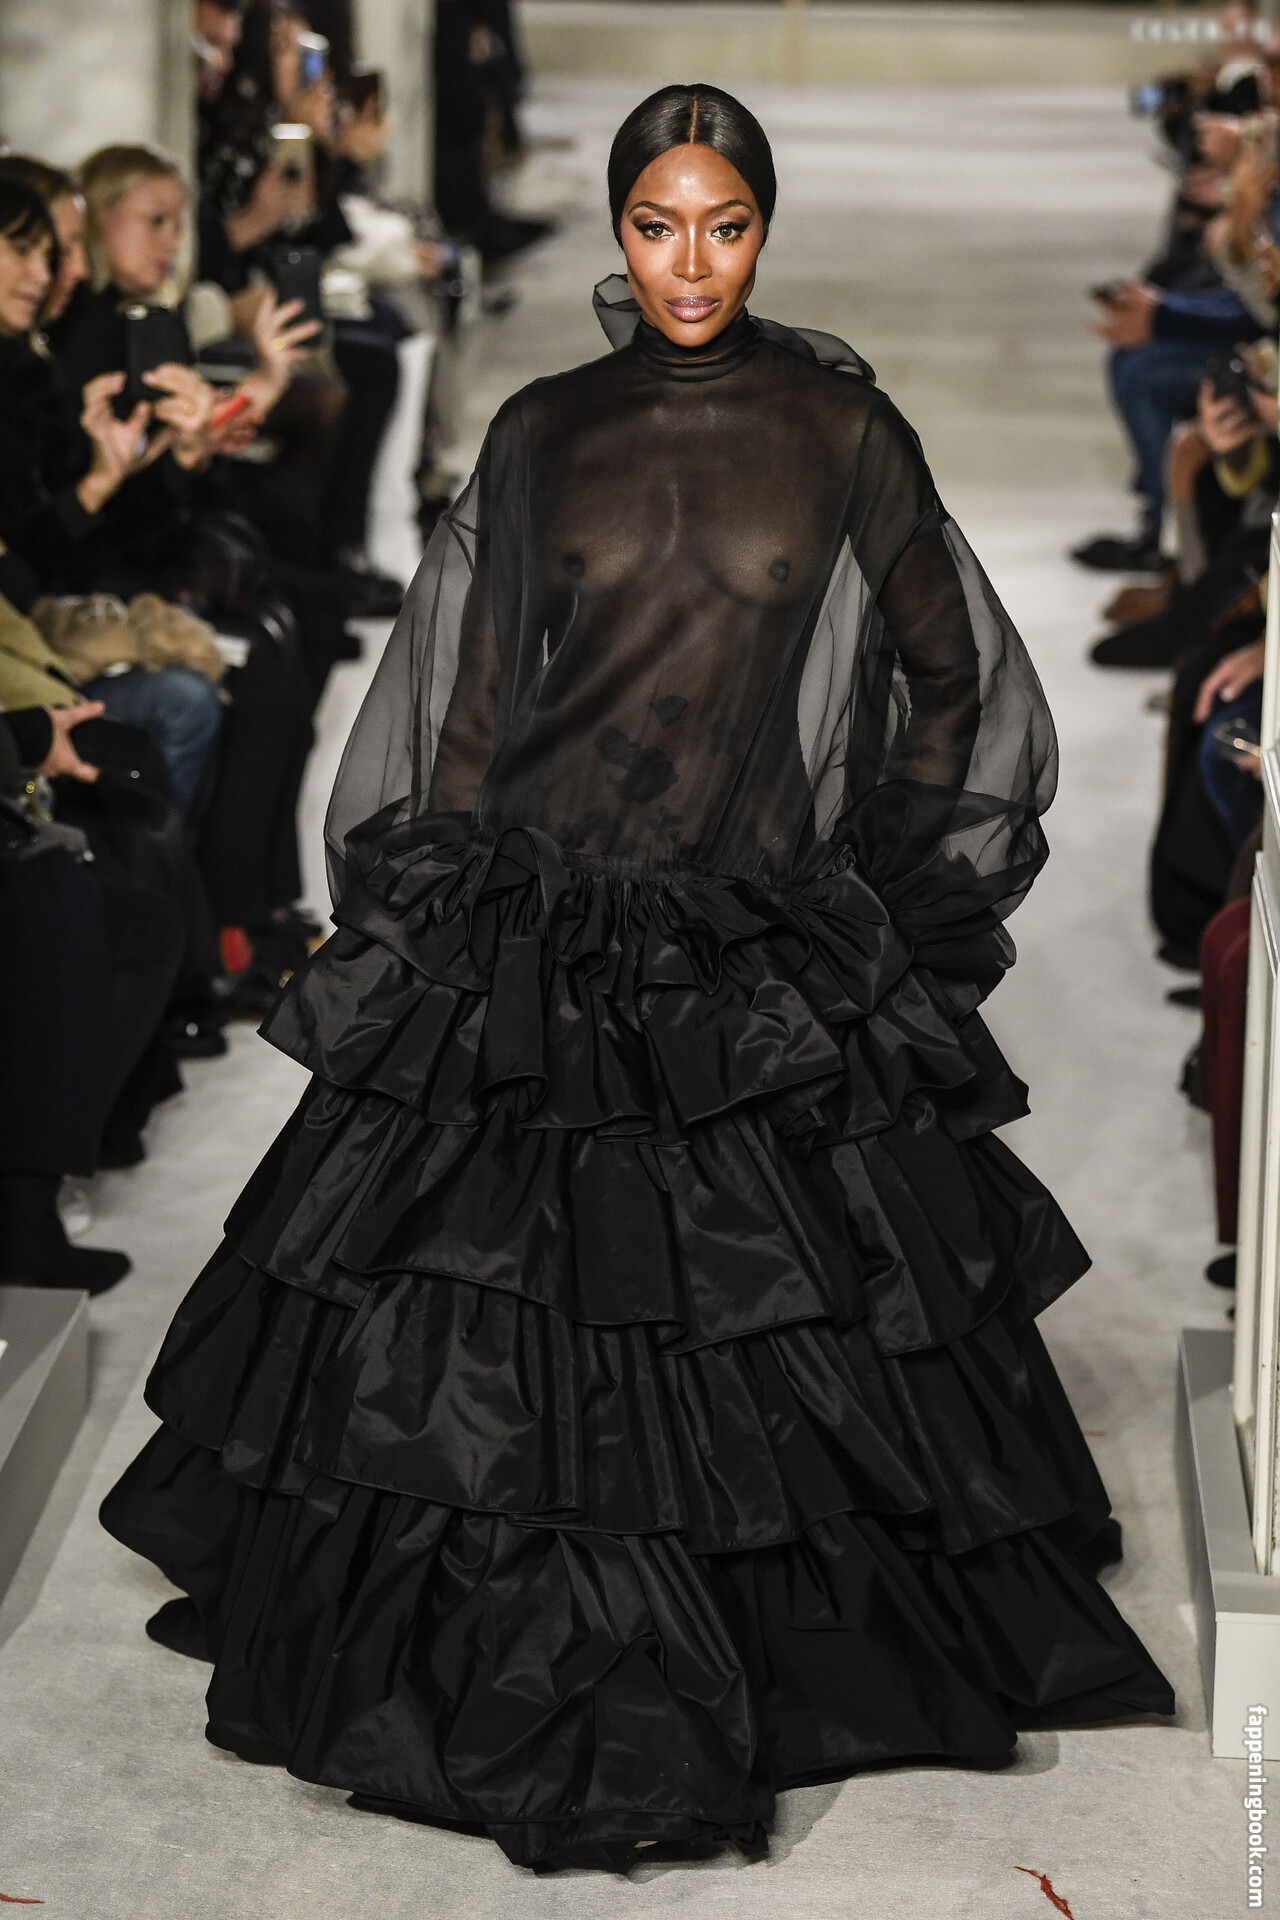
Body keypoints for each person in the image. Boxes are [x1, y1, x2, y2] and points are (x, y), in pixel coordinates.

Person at [101, 85, 1173, 1873]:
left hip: (743, 932)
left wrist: (877, 885)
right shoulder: (544, 429)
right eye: (658, 224)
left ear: (765, 230)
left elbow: (956, 679)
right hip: (538, 920)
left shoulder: (841, 430)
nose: (691, 262)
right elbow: (470, 711)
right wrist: (437, 914)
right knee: (477, 1317)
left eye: (726, 225)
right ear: (618, 229)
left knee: (773, 1309)